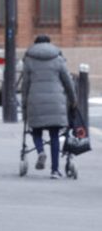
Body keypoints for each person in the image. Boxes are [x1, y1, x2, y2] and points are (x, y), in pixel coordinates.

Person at [21, 34, 77, 179]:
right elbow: (68, 82)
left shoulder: (28, 59)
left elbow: (25, 85)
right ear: (49, 44)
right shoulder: (58, 59)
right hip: (56, 102)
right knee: (54, 135)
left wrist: (24, 105)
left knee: (36, 131)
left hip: (35, 101)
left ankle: (40, 151)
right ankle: (55, 170)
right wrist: (73, 99)